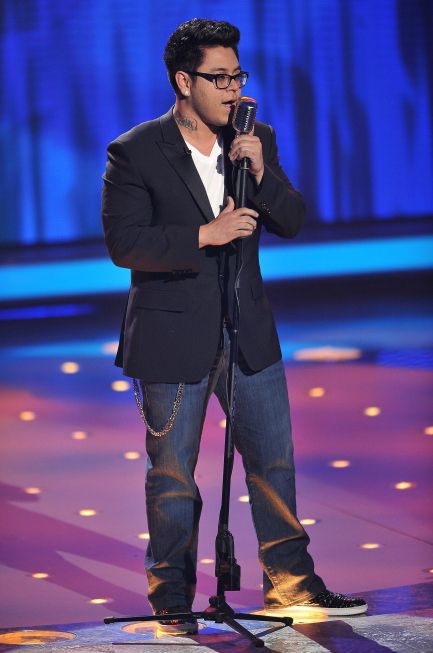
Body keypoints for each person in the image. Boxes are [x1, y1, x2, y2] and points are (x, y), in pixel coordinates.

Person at [102, 18, 367, 636]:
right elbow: (124, 242)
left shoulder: (253, 138)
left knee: (273, 465)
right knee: (173, 477)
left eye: (237, 76)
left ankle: (293, 583)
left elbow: (292, 219)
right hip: (172, 338)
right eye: (219, 78)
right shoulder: (135, 150)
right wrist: (205, 233)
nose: (233, 90)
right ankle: (172, 599)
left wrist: (263, 172)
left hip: (249, 332)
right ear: (183, 81)